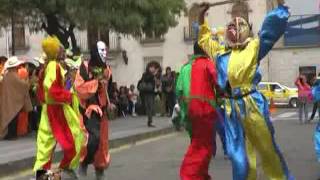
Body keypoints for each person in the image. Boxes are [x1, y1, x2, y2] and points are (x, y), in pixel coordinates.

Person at [197, 1, 293, 179]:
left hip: (252, 105)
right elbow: (204, 39)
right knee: (238, 157)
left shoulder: (254, 47)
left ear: (247, 29)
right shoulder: (220, 52)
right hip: (230, 109)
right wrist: (201, 16)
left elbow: (270, 30)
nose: (234, 26)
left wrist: (279, 4)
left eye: (239, 24)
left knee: (267, 149)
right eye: (231, 24)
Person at [33, 36, 84, 179]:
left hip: (49, 109)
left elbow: (42, 92)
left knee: (46, 145)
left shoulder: (49, 67)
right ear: (55, 52)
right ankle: (64, 169)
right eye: (60, 48)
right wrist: (68, 96)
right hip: (56, 110)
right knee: (73, 140)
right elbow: (53, 91)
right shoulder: (53, 66)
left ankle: (43, 174)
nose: (63, 50)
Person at [176, 42, 218, 180]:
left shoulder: (185, 68)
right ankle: (192, 175)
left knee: (197, 143)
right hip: (205, 110)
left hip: (190, 113)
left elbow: (179, 91)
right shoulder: (207, 63)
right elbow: (219, 83)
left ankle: (200, 175)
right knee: (202, 146)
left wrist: (183, 113)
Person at [75, 41, 111, 180]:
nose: (105, 53)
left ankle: (98, 169)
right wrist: (96, 82)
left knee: (101, 142)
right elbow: (78, 89)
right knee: (92, 140)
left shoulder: (106, 69)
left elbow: (109, 88)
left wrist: (110, 102)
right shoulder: (83, 68)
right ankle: (82, 165)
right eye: (102, 50)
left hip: (101, 111)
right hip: (86, 111)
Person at [0, 56, 32, 140]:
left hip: (7, 99)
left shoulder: (7, 75)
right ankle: (12, 134)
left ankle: (10, 134)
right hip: (13, 101)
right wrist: (27, 81)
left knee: (10, 117)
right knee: (13, 118)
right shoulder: (14, 75)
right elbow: (23, 85)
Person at [138, 62, 158, 127]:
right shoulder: (145, 74)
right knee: (149, 107)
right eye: (152, 67)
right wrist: (153, 75)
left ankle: (150, 121)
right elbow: (146, 80)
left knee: (150, 107)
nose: (153, 68)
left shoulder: (153, 75)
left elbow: (154, 84)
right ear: (149, 68)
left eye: (154, 67)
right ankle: (150, 121)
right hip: (147, 93)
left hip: (151, 93)